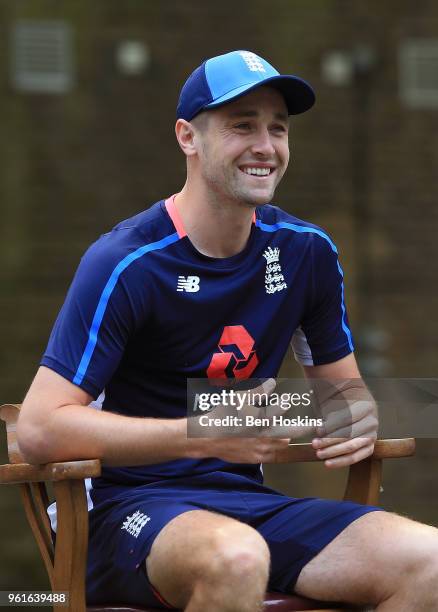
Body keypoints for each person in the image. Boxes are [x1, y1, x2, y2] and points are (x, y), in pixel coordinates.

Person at [17, 50, 438, 611]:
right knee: (236, 560)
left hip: (245, 502)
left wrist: (354, 416)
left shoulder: (305, 252)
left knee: (429, 561)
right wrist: (204, 430)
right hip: (125, 510)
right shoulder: (125, 262)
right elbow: (38, 430)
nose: (266, 146)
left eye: (278, 128)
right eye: (243, 126)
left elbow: (343, 398)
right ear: (188, 137)